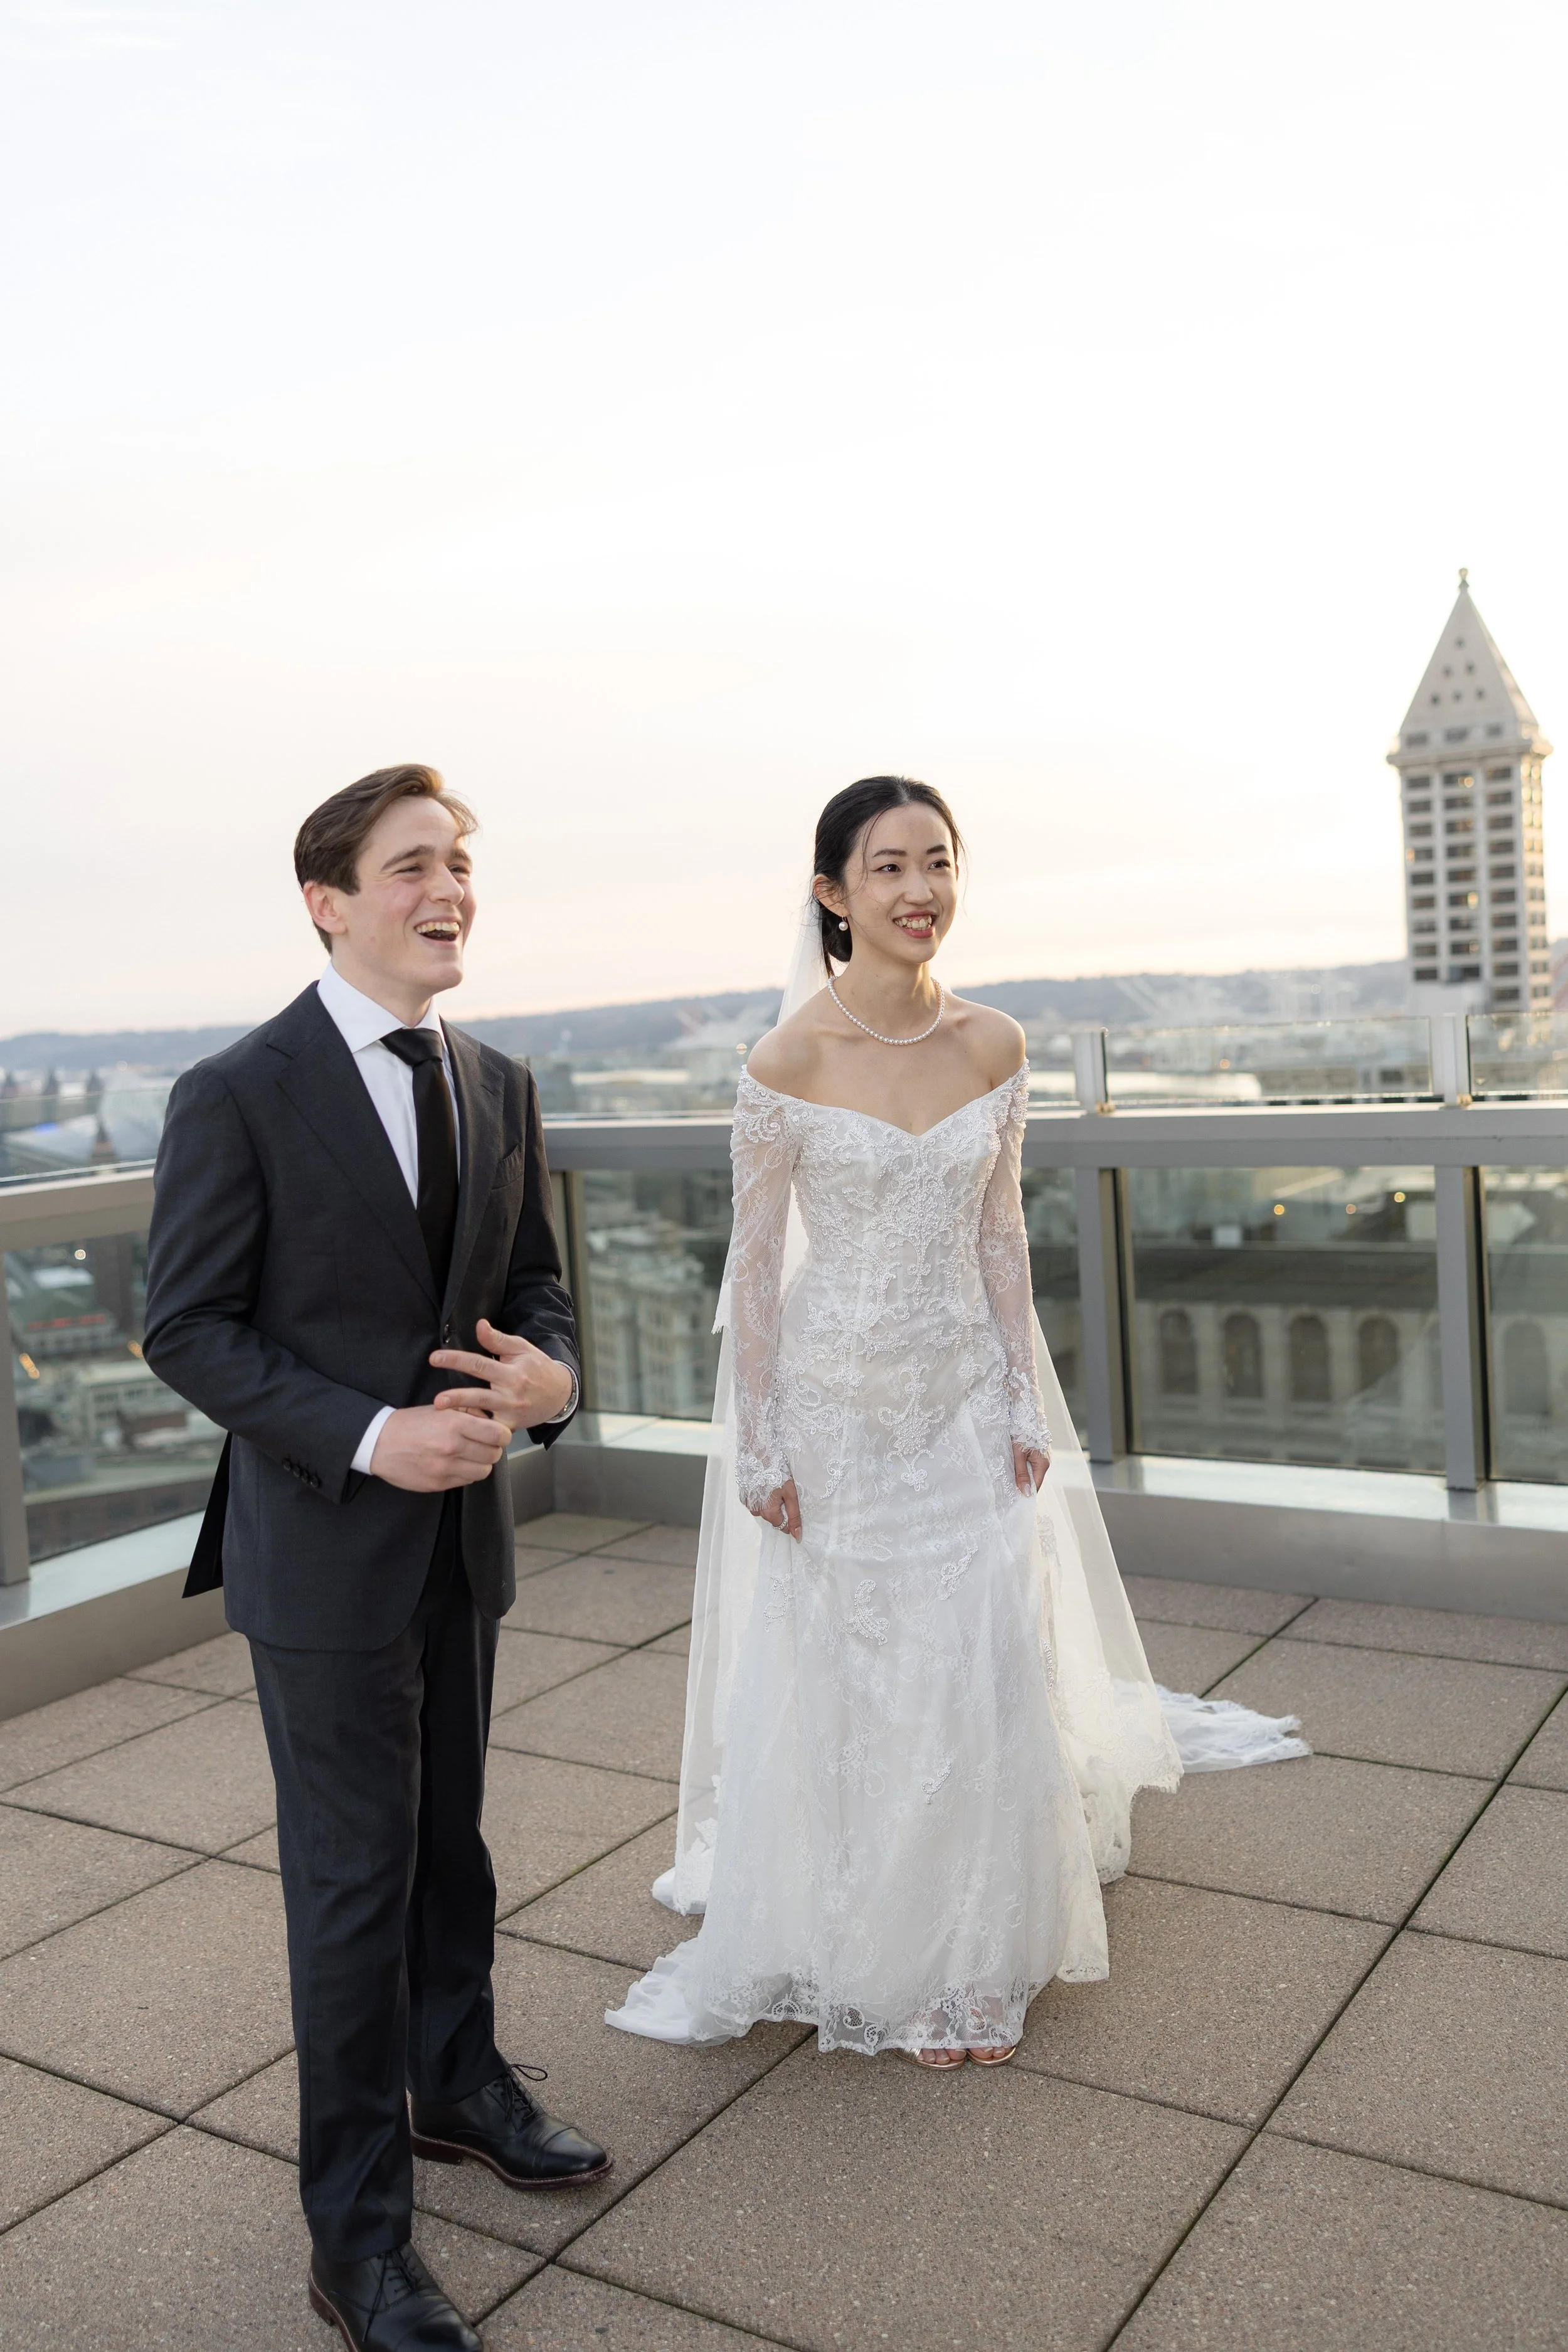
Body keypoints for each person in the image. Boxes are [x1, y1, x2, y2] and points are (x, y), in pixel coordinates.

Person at [607, 775, 1304, 2065]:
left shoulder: (994, 1044)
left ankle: (972, 1952)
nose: (918, 889)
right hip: (834, 1406)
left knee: (978, 1662)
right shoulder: (784, 1061)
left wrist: (1019, 1394)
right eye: (886, 867)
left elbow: (999, 1231)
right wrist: (758, 1443)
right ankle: (874, 1949)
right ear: (832, 894)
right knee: (862, 1672)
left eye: (936, 861)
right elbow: (753, 1273)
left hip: (963, 1403)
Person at [144, 766, 608, 2352]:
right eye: (414, 865)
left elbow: (534, 1290)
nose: (449, 889)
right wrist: (364, 1435)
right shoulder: (236, 1091)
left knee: (451, 1846)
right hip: (326, 1551)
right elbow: (186, 1327)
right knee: (353, 1892)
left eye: (462, 864)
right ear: (328, 899)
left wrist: (549, 1382)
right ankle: (357, 2243)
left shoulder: (498, 1080)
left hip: (459, 1543)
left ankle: (458, 2085)